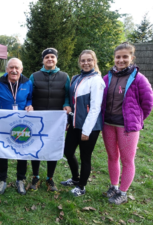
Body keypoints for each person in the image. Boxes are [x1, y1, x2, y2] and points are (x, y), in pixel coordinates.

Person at [101, 42, 153, 205]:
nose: (121, 60)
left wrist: (136, 119)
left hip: (127, 127)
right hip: (108, 124)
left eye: (125, 57)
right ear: (114, 58)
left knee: (127, 160)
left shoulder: (139, 79)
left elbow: (148, 103)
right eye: (118, 57)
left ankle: (123, 193)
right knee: (112, 157)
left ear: (131, 58)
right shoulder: (107, 77)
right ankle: (114, 186)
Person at [0, 58, 33, 195]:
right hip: (5, 122)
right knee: (3, 151)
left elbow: (30, 97)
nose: (14, 70)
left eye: (17, 68)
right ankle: (2, 180)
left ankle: (20, 180)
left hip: (21, 123)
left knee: (22, 151)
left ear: (21, 70)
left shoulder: (27, 82)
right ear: (7, 69)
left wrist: (30, 104)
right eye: (11, 67)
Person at [60, 50, 105, 196]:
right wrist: (69, 120)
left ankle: (82, 186)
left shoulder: (97, 80)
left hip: (90, 127)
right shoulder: (77, 78)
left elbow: (95, 108)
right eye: (83, 60)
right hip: (74, 124)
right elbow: (73, 103)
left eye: (89, 60)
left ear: (94, 61)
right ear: (80, 62)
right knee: (68, 151)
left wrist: (86, 131)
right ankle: (75, 178)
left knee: (85, 156)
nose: (86, 63)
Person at [28, 47, 71, 193]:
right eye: (47, 57)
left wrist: (66, 104)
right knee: (36, 146)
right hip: (37, 118)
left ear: (56, 59)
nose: (50, 59)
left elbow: (67, 96)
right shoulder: (34, 76)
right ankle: (35, 176)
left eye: (52, 57)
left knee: (53, 147)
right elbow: (29, 95)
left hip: (56, 120)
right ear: (43, 60)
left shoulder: (65, 76)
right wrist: (29, 105)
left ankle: (50, 178)